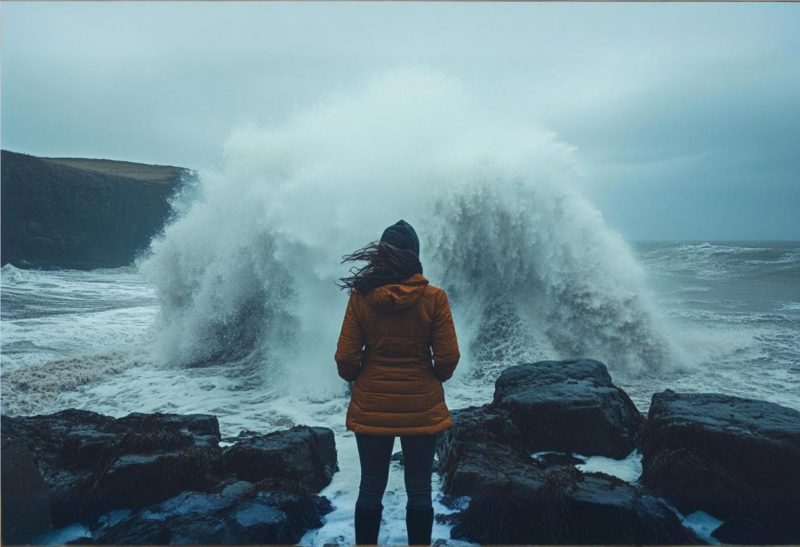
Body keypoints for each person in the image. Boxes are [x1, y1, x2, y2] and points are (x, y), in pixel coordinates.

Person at [334, 219, 461, 546]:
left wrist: (361, 377)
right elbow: (447, 358)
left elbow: (346, 360)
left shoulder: (361, 298)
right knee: (419, 488)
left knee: (370, 487)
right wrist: (432, 378)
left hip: (372, 406)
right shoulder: (434, 298)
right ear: (414, 256)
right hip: (421, 406)